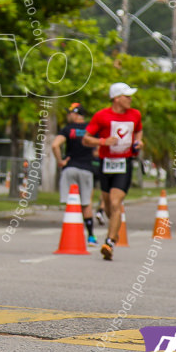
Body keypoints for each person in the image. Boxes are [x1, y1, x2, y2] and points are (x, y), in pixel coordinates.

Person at [83, 82, 143, 262]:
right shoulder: (101, 116)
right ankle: (114, 231)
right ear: (117, 98)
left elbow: (139, 131)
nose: (130, 99)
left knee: (116, 203)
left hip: (124, 163)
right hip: (105, 163)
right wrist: (102, 142)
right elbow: (86, 139)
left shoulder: (135, 114)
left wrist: (139, 142)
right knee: (108, 205)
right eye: (127, 96)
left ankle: (109, 242)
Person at [51, 103, 98, 244]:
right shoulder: (92, 129)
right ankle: (90, 236)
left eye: (69, 113)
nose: (68, 116)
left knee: (70, 203)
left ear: (76, 114)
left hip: (70, 168)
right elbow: (97, 149)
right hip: (87, 169)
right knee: (86, 203)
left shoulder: (67, 129)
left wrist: (60, 161)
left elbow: (55, 145)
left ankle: (70, 235)